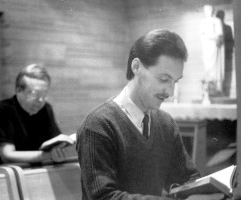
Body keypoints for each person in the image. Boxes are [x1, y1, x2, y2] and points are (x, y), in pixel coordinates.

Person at [76, 29, 224, 200]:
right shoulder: (98, 125)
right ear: (136, 67)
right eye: (163, 79)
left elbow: (186, 178)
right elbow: (104, 197)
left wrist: (204, 191)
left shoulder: (165, 123)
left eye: (175, 81)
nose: (170, 92)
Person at [0, 64, 71, 166]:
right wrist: (48, 155)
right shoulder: (4, 110)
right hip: (0, 174)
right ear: (18, 90)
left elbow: (56, 141)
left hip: (32, 172)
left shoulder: (46, 109)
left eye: (44, 94)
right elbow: (7, 155)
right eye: (34, 94)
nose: (40, 100)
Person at [200, 5, 224, 94]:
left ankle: (216, 87)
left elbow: (219, 35)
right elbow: (202, 35)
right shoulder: (203, 22)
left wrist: (211, 37)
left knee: (214, 66)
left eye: (208, 10)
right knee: (207, 66)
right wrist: (207, 37)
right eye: (205, 10)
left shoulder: (216, 21)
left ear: (212, 11)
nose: (207, 12)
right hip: (206, 45)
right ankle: (207, 87)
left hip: (213, 45)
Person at [216, 10, 234, 96]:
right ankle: (218, 92)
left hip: (227, 56)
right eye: (218, 17)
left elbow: (231, 42)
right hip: (217, 57)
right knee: (218, 74)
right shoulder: (215, 29)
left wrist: (226, 48)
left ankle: (227, 94)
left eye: (221, 17)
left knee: (227, 75)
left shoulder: (227, 28)